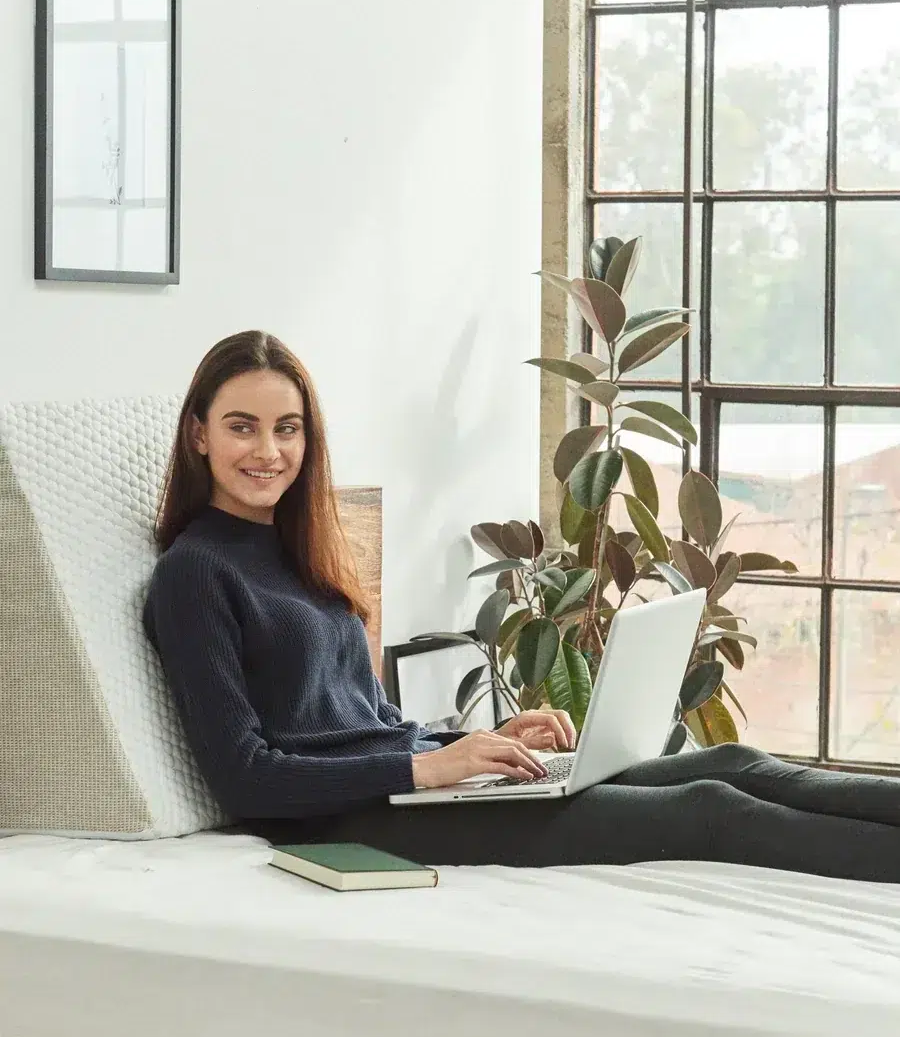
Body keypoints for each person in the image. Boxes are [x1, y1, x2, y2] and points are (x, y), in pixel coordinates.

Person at [144, 330, 900, 883]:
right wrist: (429, 772)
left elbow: (362, 721)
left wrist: (478, 741)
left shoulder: (307, 551)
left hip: (407, 786)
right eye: (242, 427)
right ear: (199, 436)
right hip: (350, 818)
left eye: (288, 429)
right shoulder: (194, 575)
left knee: (733, 762)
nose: (267, 451)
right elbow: (245, 777)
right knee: (711, 810)